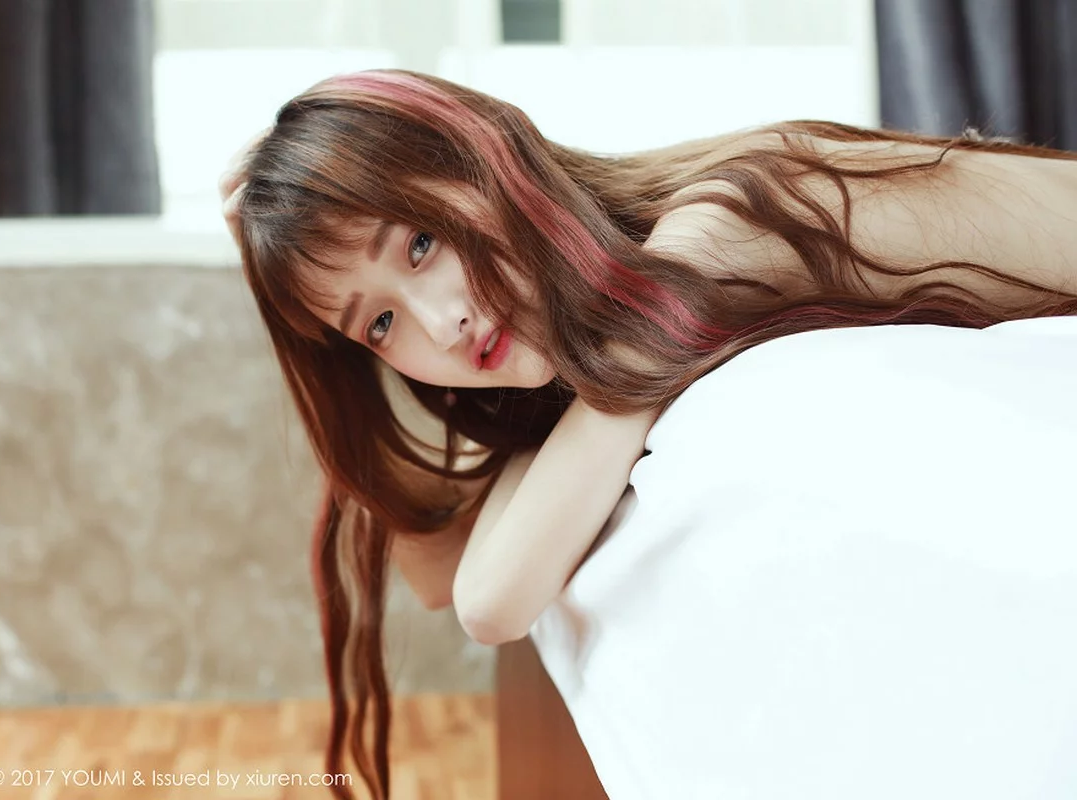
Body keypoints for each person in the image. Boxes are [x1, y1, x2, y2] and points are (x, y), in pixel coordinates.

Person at [219, 68, 1077, 799]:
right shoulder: (584, 337)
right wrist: (288, 298)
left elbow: (490, 597)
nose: (440, 325)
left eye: (419, 244)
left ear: (485, 154)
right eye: (377, 325)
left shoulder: (714, 237)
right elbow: (435, 567)